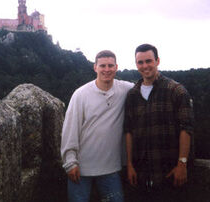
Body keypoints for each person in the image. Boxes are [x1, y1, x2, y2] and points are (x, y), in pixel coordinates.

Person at [124, 44, 194, 202]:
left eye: (149, 61)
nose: (145, 66)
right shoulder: (132, 95)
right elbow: (128, 131)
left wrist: (182, 164)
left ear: (157, 61)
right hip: (141, 176)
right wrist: (129, 165)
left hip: (169, 175)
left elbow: (186, 129)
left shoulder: (176, 91)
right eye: (140, 62)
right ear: (136, 65)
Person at [61, 50, 134, 202]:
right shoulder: (81, 94)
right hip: (81, 168)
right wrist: (70, 162)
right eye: (102, 66)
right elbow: (70, 129)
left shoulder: (125, 90)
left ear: (116, 67)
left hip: (111, 169)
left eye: (110, 66)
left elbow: (148, 86)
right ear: (95, 68)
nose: (106, 69)